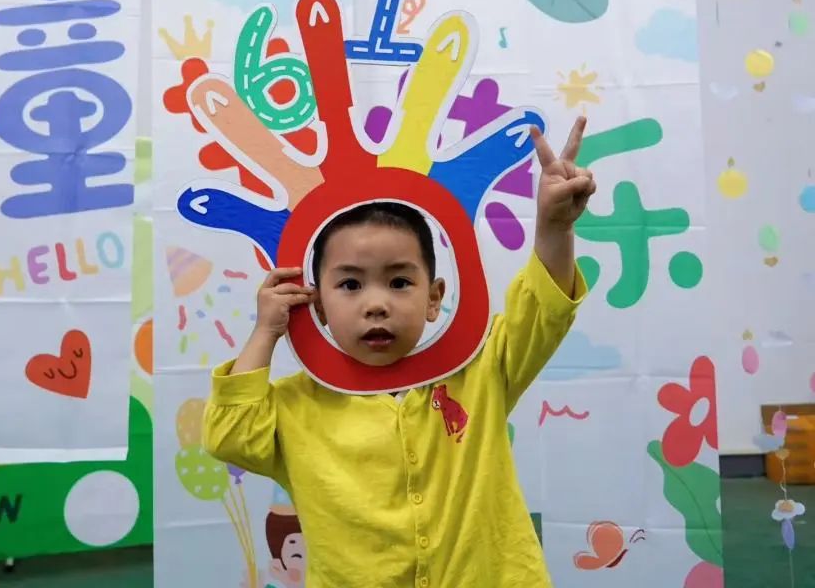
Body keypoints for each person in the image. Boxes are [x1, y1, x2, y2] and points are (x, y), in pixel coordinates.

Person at [203, 118, 596, 587]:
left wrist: (554, 227)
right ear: (318, 305)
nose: (376, 304)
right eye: (350, 284)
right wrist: (265, 330)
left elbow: (543, 311)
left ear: (434, 297)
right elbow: (230, 436)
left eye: (399, 282)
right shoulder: (296, 405)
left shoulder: (481, 368)